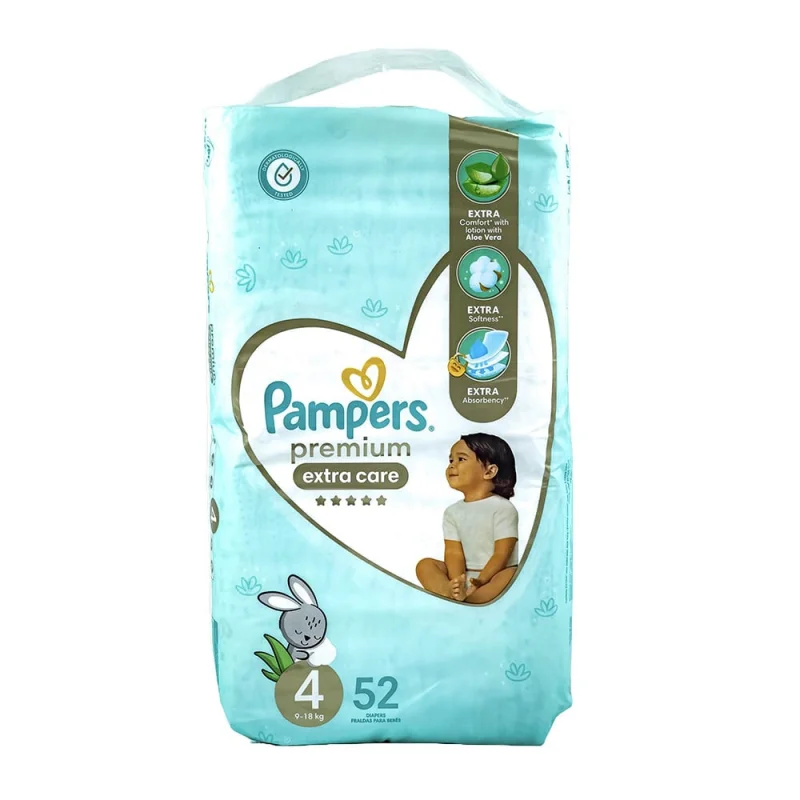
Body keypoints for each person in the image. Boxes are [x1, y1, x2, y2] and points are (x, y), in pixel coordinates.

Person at [416, 433, 518, 604]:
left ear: (490, 471)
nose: (452, 465)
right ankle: (449, 593)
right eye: (451, 460)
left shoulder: (503, 508)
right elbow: (453, 552)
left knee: (511, 574)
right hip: (466, 575)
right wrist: (457, 582)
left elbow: (502, 553)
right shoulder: (452, 512)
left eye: (461, 459)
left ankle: (471, 601)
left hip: (493, 576)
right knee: (425, 565)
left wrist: (481, 580)